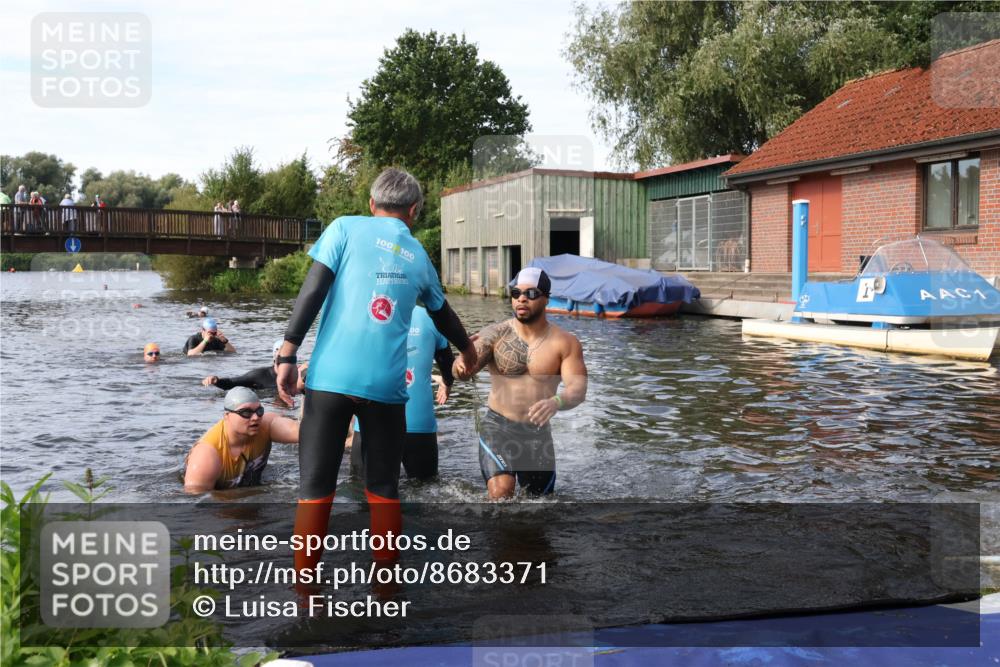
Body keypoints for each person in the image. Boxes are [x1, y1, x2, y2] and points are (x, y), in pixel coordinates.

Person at [274, 167, 476, 573]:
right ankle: (386, 586)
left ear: (371, 204)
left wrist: (288, 353)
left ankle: (305, 593)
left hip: (330, 379)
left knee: (315, 488)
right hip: (386, 388)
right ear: (414, 211)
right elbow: (443, 315)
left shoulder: (344, 229)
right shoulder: (419, 256)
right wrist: (468, 350)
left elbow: (313, 289)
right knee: (384, 489)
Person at [454, 268, 588, 499]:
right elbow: (461, 371)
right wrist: (461, 364)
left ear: (546, 298)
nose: (522, 298)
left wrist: (557, 401)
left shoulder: (565, 343)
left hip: (537, 433)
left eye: (531, 293)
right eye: (516, 293)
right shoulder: (494, 335)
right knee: (500, 493)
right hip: (498, 427)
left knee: (540, 504)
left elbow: (578, 389)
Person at [350, 305, 456, 481]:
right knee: (424, 492)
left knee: (361, 493)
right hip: (418, 423)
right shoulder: (430, 318)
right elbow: (448, 365)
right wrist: (447, 383)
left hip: (372, 422)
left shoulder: (364, 315)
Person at [183, 387, 300, 493]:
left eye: (259, 411)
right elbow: (197, 507)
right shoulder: (206, 456)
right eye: (246, 412)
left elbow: (304, 432)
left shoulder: (267, 425)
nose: (255, 418)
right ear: (227, 415)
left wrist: (308, 390)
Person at [202, 340, 301, 407]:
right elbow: (233, 383)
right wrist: (216, 380)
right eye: (281, 361)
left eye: (287, 362)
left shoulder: (300, 375)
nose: (284, 367)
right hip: (269, 405)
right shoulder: (259, 375)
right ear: (274, 358)